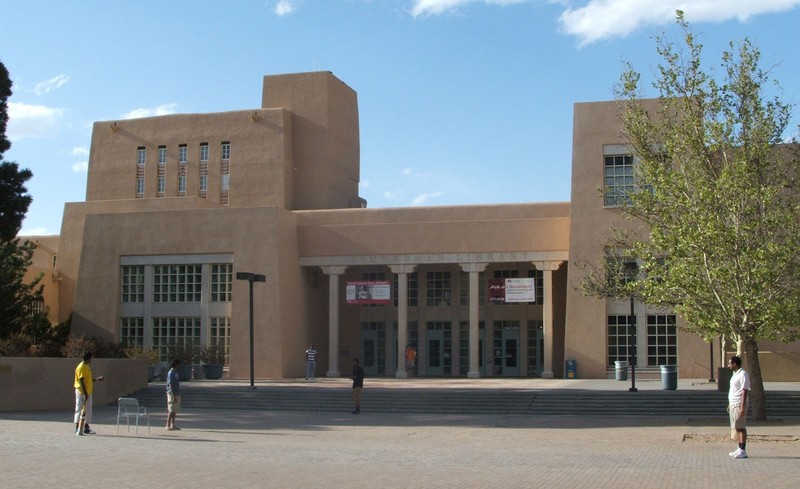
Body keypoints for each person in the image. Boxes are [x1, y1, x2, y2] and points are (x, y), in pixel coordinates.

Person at [73, 351, 104, 436]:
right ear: (89, 358)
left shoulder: (86, 367)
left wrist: (96, 379)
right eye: (91, 358)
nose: (91, 360)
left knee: (88, 409)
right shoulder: (81, 367)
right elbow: (81, 381)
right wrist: (85, 394)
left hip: (88, 392)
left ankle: (86, 427)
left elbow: (87, 379)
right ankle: (77, 427)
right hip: (81, 391)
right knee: (79, 408)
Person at [727, 355, 751, 459]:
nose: (728, 365)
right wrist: (730, 404)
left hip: (739, 404)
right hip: (733, 404)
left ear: (734, 364)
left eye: (729, 363)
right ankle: (739, 447)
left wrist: (742, 406)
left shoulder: (743, 374)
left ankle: (743, 450)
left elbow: (744, 390)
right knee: (736, 427)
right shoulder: (734, 375)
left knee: (741, 427)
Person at [165, 359, 182, 431]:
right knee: (171, 409)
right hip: (171, 393)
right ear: (176, 364)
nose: (180, 366)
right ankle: (167, 425)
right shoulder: (171, 372)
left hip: (177, 392)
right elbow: (170, 385)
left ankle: (173, 425)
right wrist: (173, 396)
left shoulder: (176, 372)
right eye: (179, 364)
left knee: (174, 410)